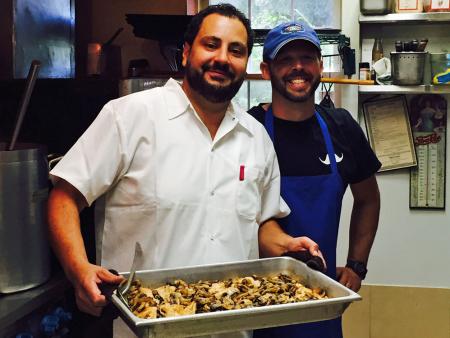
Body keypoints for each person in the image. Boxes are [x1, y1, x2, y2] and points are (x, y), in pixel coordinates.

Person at [47, 5, 324, 338]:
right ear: (187, 51)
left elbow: (262, 225)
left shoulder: (256, 138)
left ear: (246, 64)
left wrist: (288, 247)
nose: (222, 58)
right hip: (145, 329)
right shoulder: (131, 115)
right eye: (212, 44)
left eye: (236, 50)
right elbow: (64, 197)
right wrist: (78, 268)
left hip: (231, 330)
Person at [249, 21, 381, 338]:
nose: (298, 67)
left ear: (320, 66)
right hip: (254, 302)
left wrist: (356, 265)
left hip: (320, 303)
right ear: (266, 70)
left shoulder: (341, 127)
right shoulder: (248, 130)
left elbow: (368, 199)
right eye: (285, 59)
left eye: (307, 58)